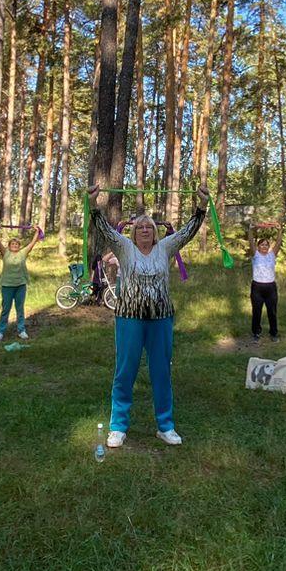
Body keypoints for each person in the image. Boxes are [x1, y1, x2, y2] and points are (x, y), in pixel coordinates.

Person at [92, 186, 208, 448]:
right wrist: (93, 205)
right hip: (129, 318)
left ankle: (165, 426)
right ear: (133, 233)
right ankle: (118, 427)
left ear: (155, 233)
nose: (145, 229)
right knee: (125, 371)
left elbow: (189, 231)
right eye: (140, 227)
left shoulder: (165, 248)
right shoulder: (123, 248)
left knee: (161, 372)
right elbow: (104, 229)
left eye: (149, 227)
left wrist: (201, 206)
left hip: (161, 319)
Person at [0, 227, 43, 340]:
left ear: (19, 246)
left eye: (17, 244)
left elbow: (32, 243)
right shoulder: (5, 253)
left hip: (20, 285)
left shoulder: (23, 253)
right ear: (9, 246)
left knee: (20, 309)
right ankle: (1, 331)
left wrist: (37, 231)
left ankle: (21, 330)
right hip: (7, 285)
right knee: (5, 309)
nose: (15, 246)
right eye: (13, 244)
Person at [247, 224, 281, 340]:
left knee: (272, 312)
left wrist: (280, 231)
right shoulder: (255, 255)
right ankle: (256, 333)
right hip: (257, 287)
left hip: (270, 287)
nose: (264, 246)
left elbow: (278, 244)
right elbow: (250, 242)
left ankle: (274, 333)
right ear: (258, 246)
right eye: (262, 244)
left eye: (266, 245)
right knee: (257, 311)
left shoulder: (272, 255)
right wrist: (251, 231)